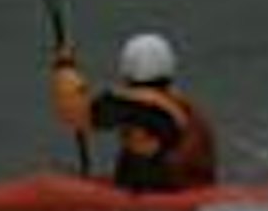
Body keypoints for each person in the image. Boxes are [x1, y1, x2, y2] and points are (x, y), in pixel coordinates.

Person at [50, 29, 218, 191]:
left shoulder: (133, 105)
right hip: (187, 183)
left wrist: (65, 67)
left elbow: (76, 113)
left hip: (156, 186)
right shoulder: (176, 102)